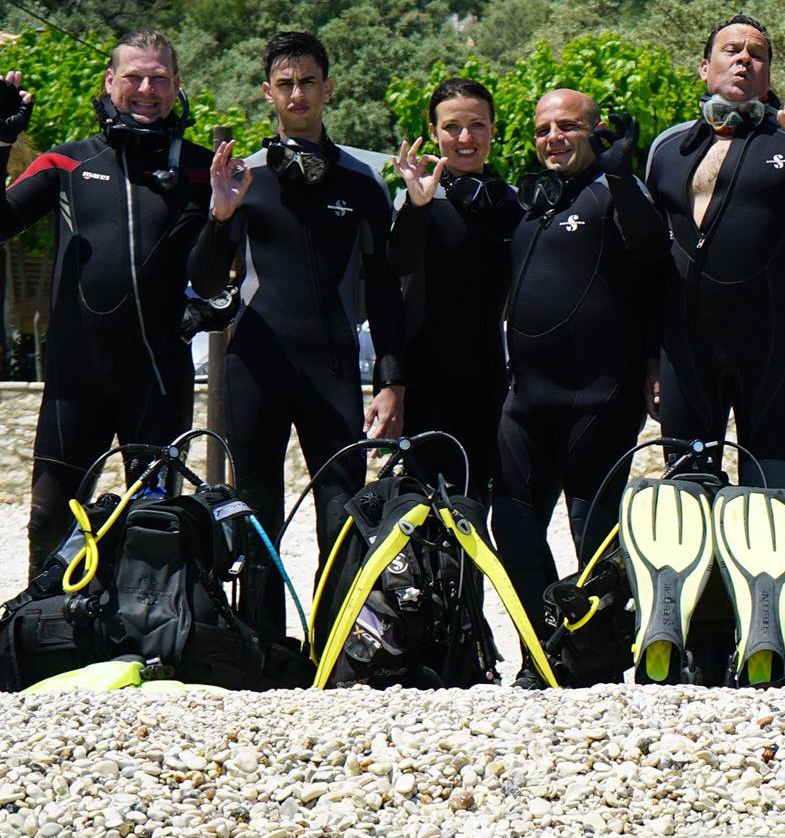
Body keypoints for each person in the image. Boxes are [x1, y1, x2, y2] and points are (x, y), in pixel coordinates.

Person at [0, 30, 219, 569]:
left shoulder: (204, 171)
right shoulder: (66, 164)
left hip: (157, 379)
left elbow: (229, 266)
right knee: (46, 520)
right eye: (133, 77)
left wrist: (216, 302)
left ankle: (146, 644)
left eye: (159, 78)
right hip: (75, 383)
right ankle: (44, 640)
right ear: (110, 82)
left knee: (157, 529)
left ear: (176, 86)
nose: (146, 88)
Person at [196, 31, 407, 634]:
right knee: (256, 510)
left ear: (328, 88)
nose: (297, 94)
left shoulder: (362, 184)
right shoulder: (243, 178)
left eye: (308, 82)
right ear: (268, 92)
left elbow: (386, 291)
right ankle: (261, 645)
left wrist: (391, 381)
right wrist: (219, 215)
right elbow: (205, 280)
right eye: (285, 84)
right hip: (255, 367)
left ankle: (333, 644)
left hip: (333, 368)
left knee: (341, 512)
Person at [642, 14, 785, 489]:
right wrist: (651, 358)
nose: (745, 59)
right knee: (686, 493)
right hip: (686, 352)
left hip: (771, 350)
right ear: (704, 69)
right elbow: (650, 262)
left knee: (766, 500)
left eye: (757, 55)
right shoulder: (668, 148)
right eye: (732, 51)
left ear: (768, 75)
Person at [489, 89, 669, 620]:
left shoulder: (615, 191)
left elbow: (655, 252)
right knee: (514, 526)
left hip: (599, 396)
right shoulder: (532, 203)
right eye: (544, 129)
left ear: (594, 132)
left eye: (568, 126)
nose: (553, 138)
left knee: (593, 532)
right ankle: (547, 643)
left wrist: (619, 174)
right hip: (526, 399)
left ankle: (600, 650)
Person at [388, 77, 519, 500]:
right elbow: (399, 265)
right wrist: (416, 207)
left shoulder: (512, 203)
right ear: (433, 133)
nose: (465, 138)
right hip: (426, 386)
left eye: (477, 125)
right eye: (452, 127)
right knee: (426, 512)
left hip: (489, 384)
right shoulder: (417, 199)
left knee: (477, 506)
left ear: (493, 129)